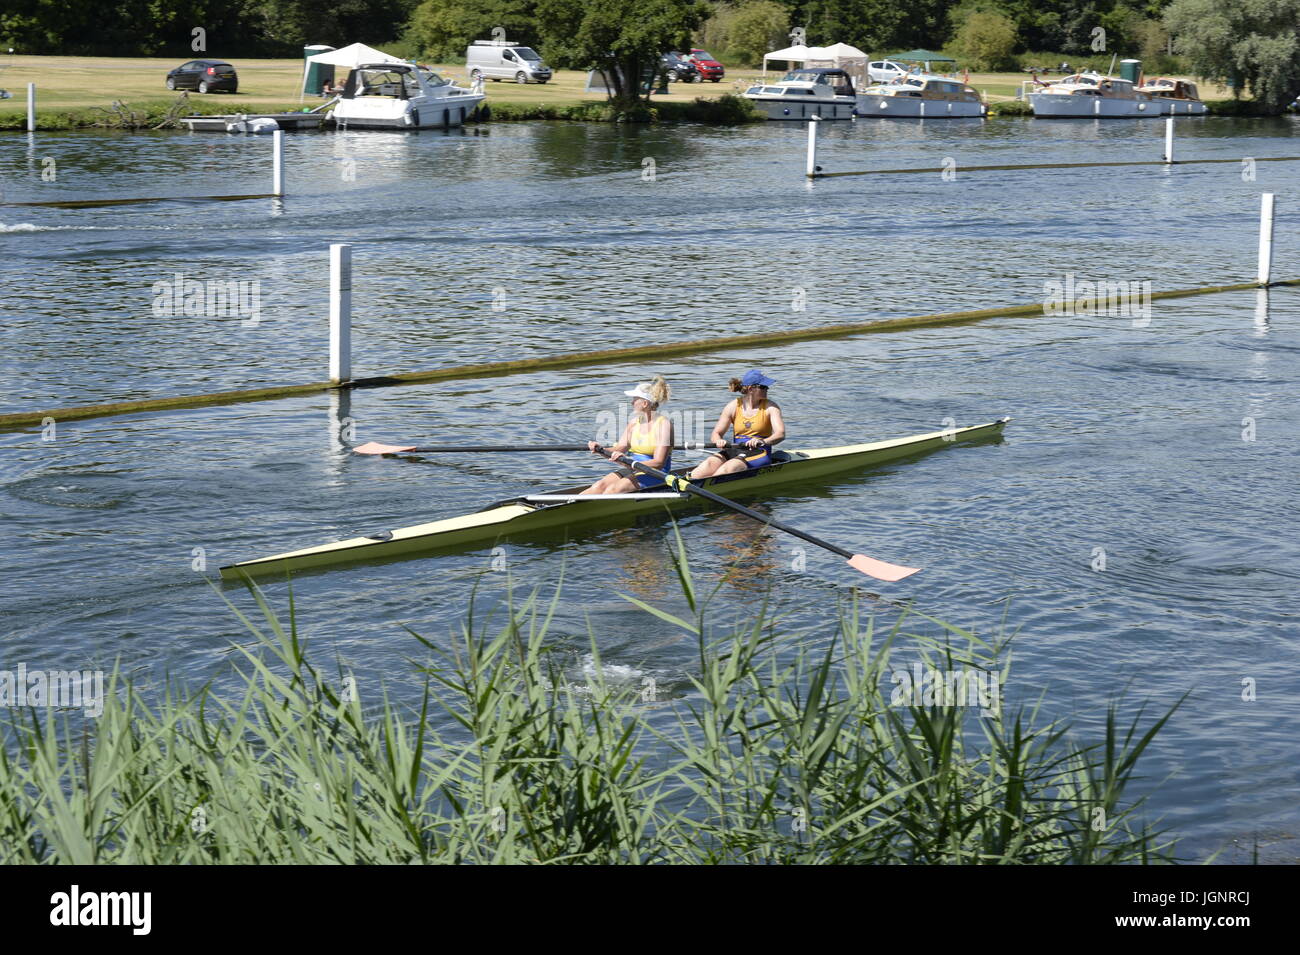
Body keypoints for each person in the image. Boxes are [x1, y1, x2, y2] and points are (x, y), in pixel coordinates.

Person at [583, 376, 674, 494]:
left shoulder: (663, 425)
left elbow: (658, 462)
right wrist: (599, 449)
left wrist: (626, 461)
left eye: (635, 399)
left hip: (656, 473)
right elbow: (619, 448)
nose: (632, 403)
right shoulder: (634, 423)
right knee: (598, 487)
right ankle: (570, 505)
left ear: (645, 403)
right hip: (633, 467)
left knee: (613, 490)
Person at [689, 370, 785, 480]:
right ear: (751, 389)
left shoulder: (771, 407)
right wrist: (719, 441)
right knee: (707, 465)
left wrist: (762, 441)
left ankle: (709, 488)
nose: (767, 389)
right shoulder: (733, 406)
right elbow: (716, 433)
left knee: (726, 469)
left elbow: (780, 434)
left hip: (760, 452)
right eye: (763, 387)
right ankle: (688, 485)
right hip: (736, 449)